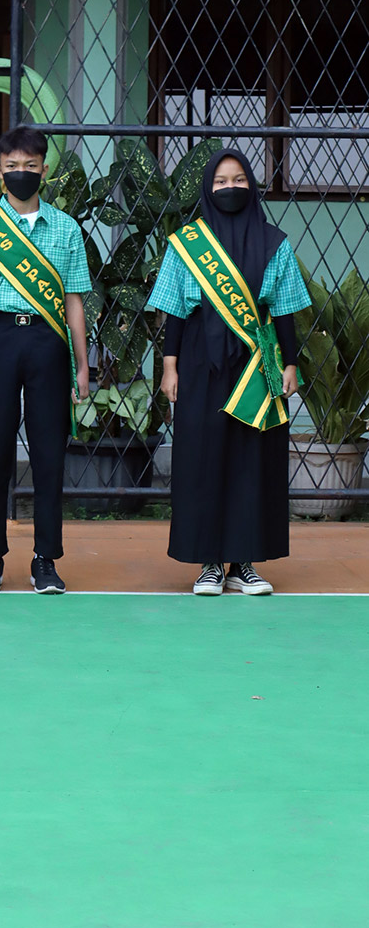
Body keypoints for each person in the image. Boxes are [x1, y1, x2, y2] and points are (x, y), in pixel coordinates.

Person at [147, 148, 311, 596]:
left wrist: (290, 363)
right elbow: (177, 312)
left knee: (251, 460)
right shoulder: (188, 242)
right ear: (207, 188)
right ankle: (208, 565)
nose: (230, 188)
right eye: (221, 181)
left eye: (239, 179)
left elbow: (285, 311)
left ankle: (243, 563)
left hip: (257, 364)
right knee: (202, 458)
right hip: (201, 361)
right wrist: (169, 366)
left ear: (251, 186)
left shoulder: (274, 242)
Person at [0, 125, 91, 594]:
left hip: (48, 343)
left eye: (30, 167)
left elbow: (74, 301)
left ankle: (45, 559)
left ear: (45, 170)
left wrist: (82, 362)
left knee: (50, 454)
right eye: (12, 167)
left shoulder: (67, 229)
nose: (21, 174)